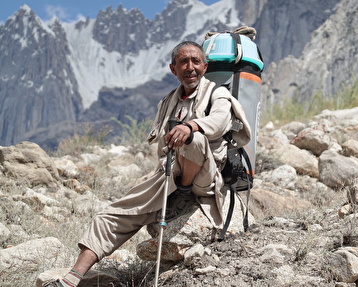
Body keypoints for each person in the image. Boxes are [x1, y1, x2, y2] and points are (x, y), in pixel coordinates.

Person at [42, 41, 251, 287]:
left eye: (196, 61)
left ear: (205, 67)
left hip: (206, 176)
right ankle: (71, 279)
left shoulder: (218, 94)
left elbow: (218, 122)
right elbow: (161, 146)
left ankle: (183, 194)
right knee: (111, 215)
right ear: (173, 69)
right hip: (170, 173)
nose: (190, 67)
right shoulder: (167, 102)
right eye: (183, 62)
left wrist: (190, 126)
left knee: (193, 140)